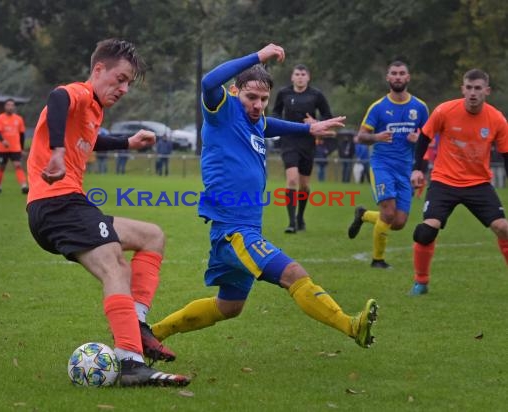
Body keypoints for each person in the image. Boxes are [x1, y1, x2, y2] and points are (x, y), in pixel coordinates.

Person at [150, 44, 378, 357]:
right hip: (235, 232)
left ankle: (152, 334)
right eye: (251, 97)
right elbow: (207, 83)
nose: (258, 105)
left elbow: (271, 125)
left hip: (241, 230)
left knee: (229, 306)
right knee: (293, 274)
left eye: (263, 99)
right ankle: (352, 326)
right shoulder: (223, 111)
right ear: (234, 91)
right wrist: (258, 56)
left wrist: (309, 127)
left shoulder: (255, 121)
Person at [26, 39, 190, 387]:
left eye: (128, 82)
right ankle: (130, 362)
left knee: (151, 236)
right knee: (116, 265)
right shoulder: (79, 94)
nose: (124, 88)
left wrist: (127, 143)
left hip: (68, 204)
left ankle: (138, 323)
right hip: (57, 204)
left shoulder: (92, 110)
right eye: (120, 78)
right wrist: (56, 151)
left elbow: (90, 138)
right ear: (98, 69)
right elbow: (57, 98)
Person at [409, 69, 508, 295]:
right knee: (426, 232)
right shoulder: (445, 111)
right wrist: (417, 169)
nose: (473, 93)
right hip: (444, 181)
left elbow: (506, 154)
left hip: (479, 184)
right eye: (469, 88)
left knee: (503, 228)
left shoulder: (497, 119)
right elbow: (424, 137)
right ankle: (420, 282)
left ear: (487, 91)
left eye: (478, 88)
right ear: (463, 89)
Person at [347, 61, 429, 269]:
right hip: (382, 166)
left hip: (405, 170)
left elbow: (429, 138)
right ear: (388, 78)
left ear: (408, 78)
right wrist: (377, 136)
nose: (398, 77)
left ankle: (364, 215)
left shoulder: (419, 107)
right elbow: (360, 137)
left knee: (399, 222)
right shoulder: (378, 107)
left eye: (402, 73)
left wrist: (417, 138)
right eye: (394, 73)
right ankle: (378, 260)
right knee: (389, 212)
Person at [272, 64, 333, 233]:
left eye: (303, 74)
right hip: (289, 141)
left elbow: (328, 116)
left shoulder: (316, 95)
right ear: (292, 77)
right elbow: (275, 113)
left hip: (307, 142)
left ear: (308, 77)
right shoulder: (284, 93)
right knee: (292, 180)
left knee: (304, 185)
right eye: (297, 74)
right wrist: (280, 124)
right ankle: (291, 223)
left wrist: (315, 122)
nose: (300, 77)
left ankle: (300, 217)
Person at [0, 98, 28, 194]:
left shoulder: (18, 119)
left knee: (18, 165)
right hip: (2, 148)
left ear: (14, 107)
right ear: (5, 107)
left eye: (12, 105)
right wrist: (3, 141)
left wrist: (21, 148)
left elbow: (22, 135)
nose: (10, 107)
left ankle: (24, 186)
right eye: (8, 105)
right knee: (1, 167)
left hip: (15, 148)